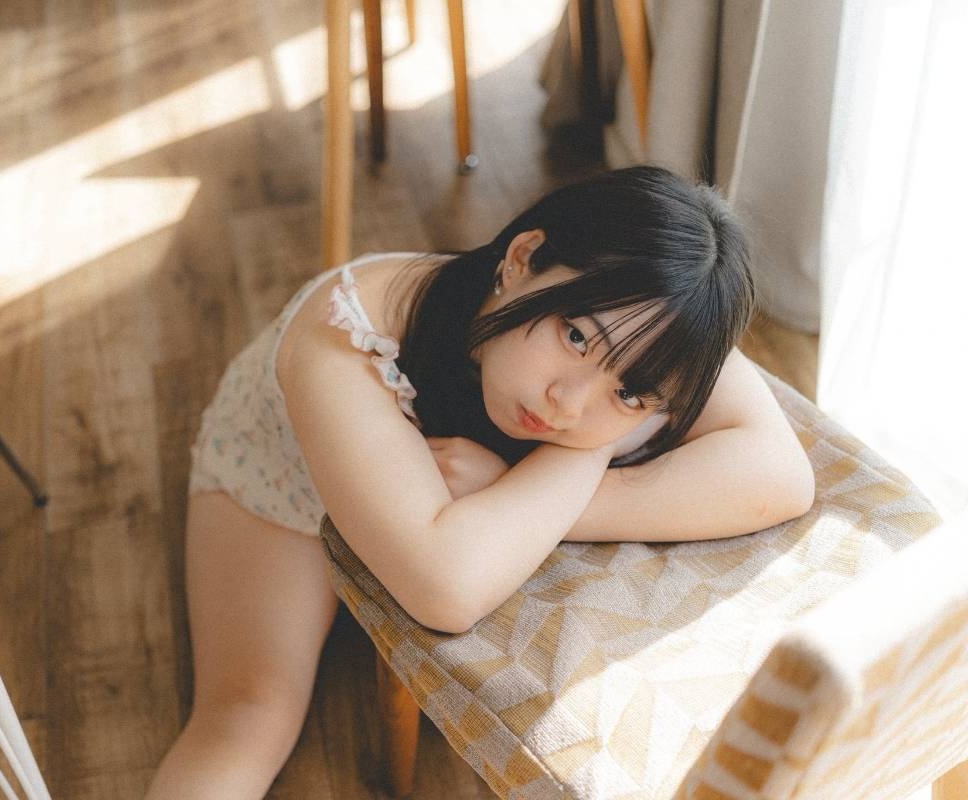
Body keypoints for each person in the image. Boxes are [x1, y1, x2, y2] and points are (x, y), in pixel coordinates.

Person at [143, 166, 815, 799]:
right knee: (249, 714)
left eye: (628, 391)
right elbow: (445, 586)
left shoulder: (661, 321)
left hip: (450, 516)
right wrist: (592, 449)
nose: (568, 404)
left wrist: (528, 485)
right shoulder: (346, 329)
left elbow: (782, 476)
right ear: (523, 257)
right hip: (288, 488)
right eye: (576, 337)